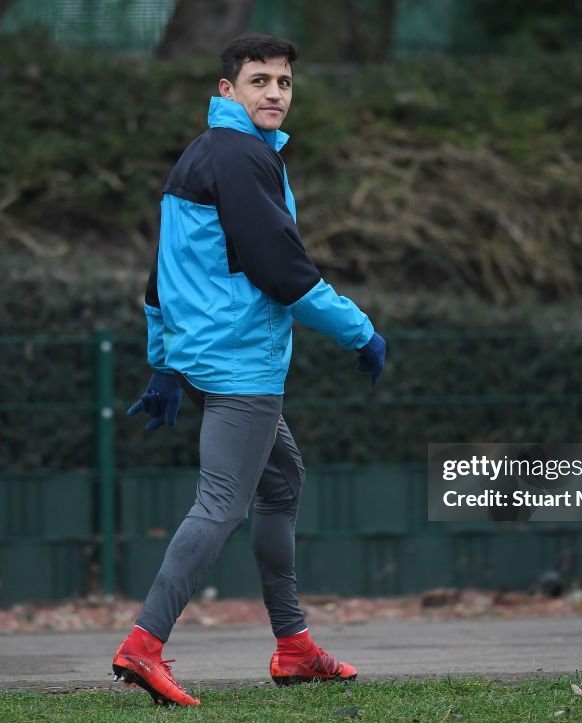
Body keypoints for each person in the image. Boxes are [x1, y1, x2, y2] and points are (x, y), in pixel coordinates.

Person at [111, 33, 387, 707]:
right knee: (222, 504)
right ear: (225, 91)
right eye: (258, 80)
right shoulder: (240, 158)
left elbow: (162, 272)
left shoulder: (209, 153)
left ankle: (293, 649)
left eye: (284, 83)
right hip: (241, 362)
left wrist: (165, 363)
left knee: (282, 477)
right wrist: (361, 331)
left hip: (208, 354)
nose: (274, 93)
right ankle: (143, 646)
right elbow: (283, 270)